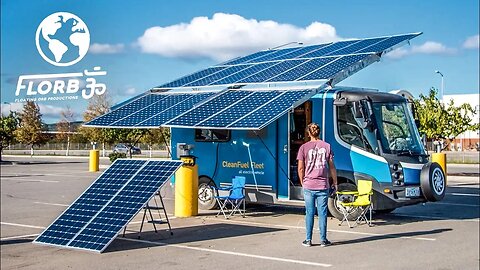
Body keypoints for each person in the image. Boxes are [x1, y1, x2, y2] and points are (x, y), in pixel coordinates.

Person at [297, 123, 337, 247]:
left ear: (308, 133)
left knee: (309, 213)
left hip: (309, 184)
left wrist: (303, 182)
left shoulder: (303, 147)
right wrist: (335, 182)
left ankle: (308, 240)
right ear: (319, 132)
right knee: (322, 213)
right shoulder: (327, 146)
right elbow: (332, 167)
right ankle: (323, 240)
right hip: (322, 185)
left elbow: (300, 169)